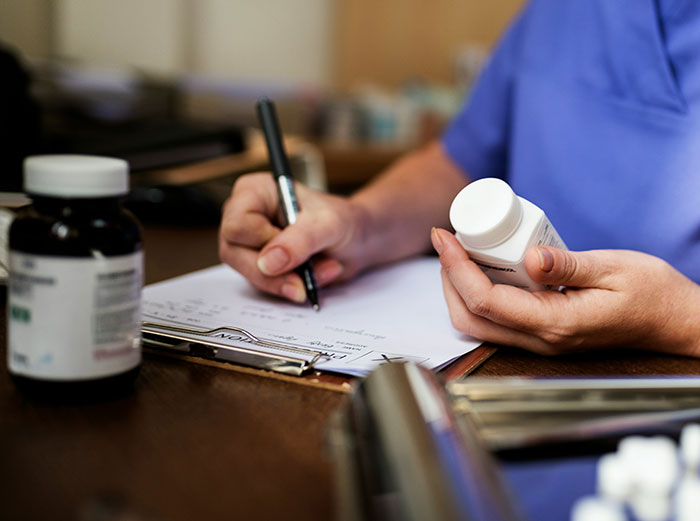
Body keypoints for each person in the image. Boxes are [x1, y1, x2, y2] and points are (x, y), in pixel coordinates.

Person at [219, 0, 700, 357]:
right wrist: (360, 221)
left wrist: (677, 318)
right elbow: (463, 160)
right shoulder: (560, 12)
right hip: (504, 382)